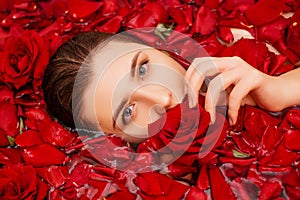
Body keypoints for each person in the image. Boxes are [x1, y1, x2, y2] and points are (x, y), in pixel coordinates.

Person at [42, 31, 300, 143]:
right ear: (117, 142)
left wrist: (282, 90)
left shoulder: (241, 47)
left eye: (143, 69)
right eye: (128, 112)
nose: (164, 98)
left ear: (160, 50)